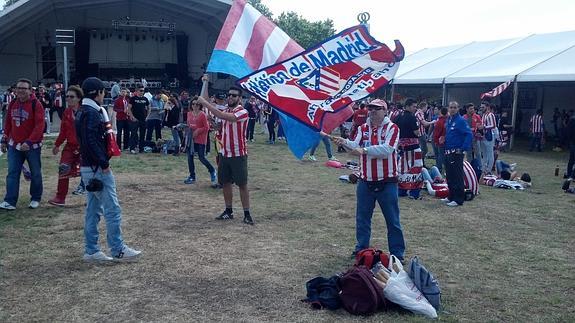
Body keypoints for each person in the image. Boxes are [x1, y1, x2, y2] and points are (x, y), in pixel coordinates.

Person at [75, 77, 141, 262]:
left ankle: (91, 250)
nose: (104, 95)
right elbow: (90, 140)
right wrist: (103, 162)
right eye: (103, 92)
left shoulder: (82, 111)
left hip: (89, 166)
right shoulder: (93, 113)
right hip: (96, 167)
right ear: (98, 93)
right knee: (112, 209)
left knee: (93, 210)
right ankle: (117, 248)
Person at [332, 99, 405, 261]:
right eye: (370, 108)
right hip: (365, 181)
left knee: (392, 220)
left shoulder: (392, 128)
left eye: (376, 109)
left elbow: (387, 149)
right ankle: (361, 248)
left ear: (385, 111)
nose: (372, 111)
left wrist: (363, 150)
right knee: (362, 218)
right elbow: (354, 145)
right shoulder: (362, 128)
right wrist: (343, 142)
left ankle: (397, 254)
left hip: (387, 181)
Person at [197, 76, 253, 225]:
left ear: (240, 98)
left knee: (242, 184)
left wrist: (206, 105)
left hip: (238, 153)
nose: (230, 97)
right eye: (229, 95)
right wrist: (205, 82)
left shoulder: (242, 112)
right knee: (226, 182)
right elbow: (218, 120)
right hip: (224, 153)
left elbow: (220, 114)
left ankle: (247, 213)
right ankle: (229, 210)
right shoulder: (226, 109)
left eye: (234, 95)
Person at [0, 78, 45, 210]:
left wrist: (29, 141)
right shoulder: (13, 103)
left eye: (24, 88)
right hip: (15, 146)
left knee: (35, 172)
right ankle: (10, 201)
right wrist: (4, 139)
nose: (21, 91)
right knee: (12, 172)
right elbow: (8, 123)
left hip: (32, 146)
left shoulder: (36, 105)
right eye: (19, 88)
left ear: (30, 90)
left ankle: (36, 198)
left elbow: (40, 125)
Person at [48, 85, 85, 206]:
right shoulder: (67, 112)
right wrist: (57, 144)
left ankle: (93, 198)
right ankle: (60, 197)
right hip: (70, 146)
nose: (68, 99)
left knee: (89, 172)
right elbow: (63, 130)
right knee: (63, 168)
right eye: (67, 96)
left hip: (85, 147)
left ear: (79, 98)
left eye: (72, 97)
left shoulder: (85, 111)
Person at [443, 101, 473, 207]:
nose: (452, 109)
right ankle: (451, 196)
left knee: (457, 176)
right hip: (448, 151)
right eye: (451, 107)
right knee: (449, 175)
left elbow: (469, 134)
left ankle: (458, 199)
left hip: (456, 152)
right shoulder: (449, 120)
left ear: (458, 108)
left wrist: (463, 148)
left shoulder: (461, 121)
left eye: (455, 107)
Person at [184, 96, 217, 186]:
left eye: (197, 104)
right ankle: (192, 176)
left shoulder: (202, 115)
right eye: (193, 104)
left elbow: (206, 127)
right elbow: (188, 125)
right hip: (191, 139)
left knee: (201, 157)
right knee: (190, 157)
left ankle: (212, 170)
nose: (195, 106)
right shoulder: (189, 114)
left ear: (200, 105)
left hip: (201, 139)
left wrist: (198, 131)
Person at [394, 98, 422, 199]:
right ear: (408, 106)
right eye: (414, 107)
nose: (415, 109)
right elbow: (416, 132)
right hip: (413, 147)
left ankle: (402, 190)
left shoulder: (397, 117)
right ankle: (414, 193)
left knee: (402, 169)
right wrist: (419, 133)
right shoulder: (412, 117)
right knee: (416, 169)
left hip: (402, 147)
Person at [127, 87, 149, 153]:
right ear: (137, 91)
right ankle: (132, 148)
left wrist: (147, 116)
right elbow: (129, 108)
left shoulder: (145, 99)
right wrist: (132, 116)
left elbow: (149, 107)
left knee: (142, 134)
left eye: (143, 91)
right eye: (141, 90)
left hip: (143, 119)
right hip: (135, 119)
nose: (142, 92)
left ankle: (141, 148)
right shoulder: (133, 98)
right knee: (133, 134)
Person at [480, 102, 497, 174]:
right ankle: (484, 168)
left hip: (490, 135)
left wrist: (484, 127)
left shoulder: (491, 115)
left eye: (483, 107)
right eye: (481, 107)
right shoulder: (484, 115)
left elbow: (493, 125)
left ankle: (489, 170)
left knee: (490, 153)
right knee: (484, 153)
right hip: (484, 135)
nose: (481, 109)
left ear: (487, 107)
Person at [432, 106, 448, 174]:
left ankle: (439, 168)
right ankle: (443, 168)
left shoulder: (440, 121)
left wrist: (435, 140)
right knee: (443, 155)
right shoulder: (447, 120)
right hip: (445, 139)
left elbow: (436, 132)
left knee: (439, 155)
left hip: (440, 140)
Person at [564, 113, 575, 179]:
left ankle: (569, 174)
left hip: (572, 142)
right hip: (573, 142)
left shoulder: (572, 119)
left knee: (571, 159)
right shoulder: (572, 119)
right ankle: (571, 175)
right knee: (572, 159)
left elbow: (567, 131)